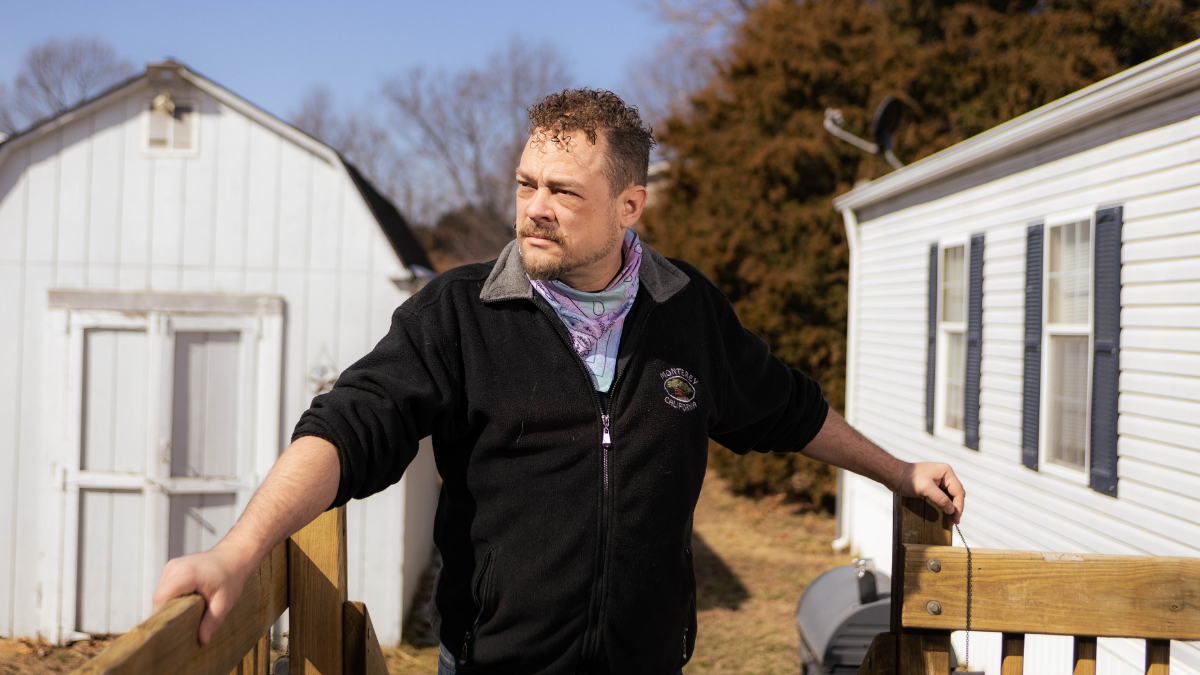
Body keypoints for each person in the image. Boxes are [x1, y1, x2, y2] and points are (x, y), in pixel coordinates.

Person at [152, 89, 965, 675]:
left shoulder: (688, 311)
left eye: (563, 191)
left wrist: (898, 473)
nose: (534, 207)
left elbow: (785, 408)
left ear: (629, 206)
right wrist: (239, 550)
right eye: (525, 184)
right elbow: (348, 426)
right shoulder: (459, 314)